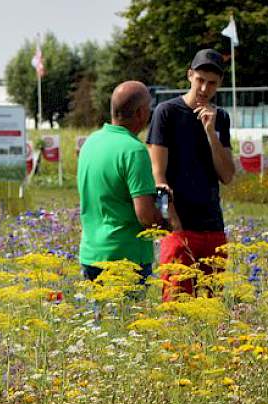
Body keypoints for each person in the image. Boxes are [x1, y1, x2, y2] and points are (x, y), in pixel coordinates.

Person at [147, 49, 235, 300]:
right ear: (190, 76)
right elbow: (158, 176)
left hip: (213, 228)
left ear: (219, 85)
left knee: (211, 310)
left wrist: (211, 133)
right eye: (200, 80)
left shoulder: (221, 118)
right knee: (176, 307)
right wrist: (174, 224)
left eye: (212, 83)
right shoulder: (166, 113)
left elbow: (227, 175)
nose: (205, 88)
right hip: (180, 228)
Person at [78, 82, 166, 283]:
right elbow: (145, 216)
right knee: (127, 315)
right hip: (126, 257)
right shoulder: (134, 150)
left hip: (91, 253)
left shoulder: (90, 143)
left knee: (100, 315)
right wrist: (166, 216)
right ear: (140, 112)